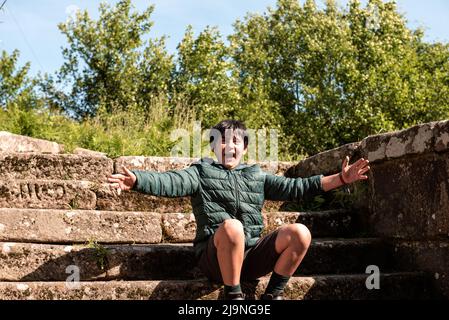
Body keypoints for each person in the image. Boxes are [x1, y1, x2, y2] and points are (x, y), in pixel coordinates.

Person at [107, 119, 370, 300]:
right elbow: (171, 181)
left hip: (252, 257)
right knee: (233, 227)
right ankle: (233, 296)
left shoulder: (256, 175)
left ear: (243, 147)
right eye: (221, 141)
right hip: (215, 258)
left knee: (300, 232)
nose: (228, 146)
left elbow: (297, 187)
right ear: (213, 146)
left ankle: (272, 295)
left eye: (235, 141)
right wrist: (138, 180)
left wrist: (341, 179)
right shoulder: (201, 172)